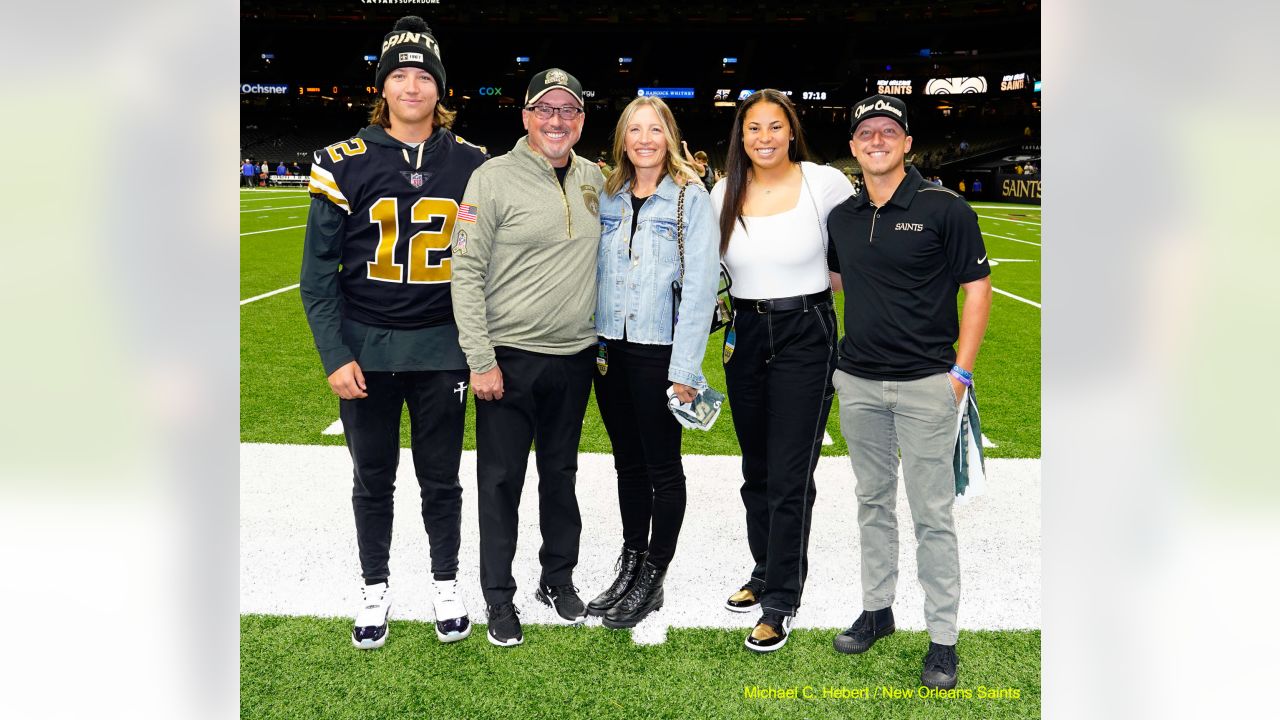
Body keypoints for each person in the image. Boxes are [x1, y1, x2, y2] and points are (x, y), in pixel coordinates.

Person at [299, 15, 488, 651]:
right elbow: (318, 275)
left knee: (442, 478)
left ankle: (445, 582)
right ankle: (374, 586)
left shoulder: (472, 165)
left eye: (423, 75)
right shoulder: (342, 162)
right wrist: (333, 354)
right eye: (399, 74)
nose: (412, 86)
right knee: (371, 476)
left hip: (441, 349)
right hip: (365, 350)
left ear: (441, 88)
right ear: (383, 86)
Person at [825, 94, 992, 690]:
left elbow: (978, 290)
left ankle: (942, 639)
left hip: (927, 384)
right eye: (865, 131)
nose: (876, 139)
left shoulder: (945, 207)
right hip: (860, 381)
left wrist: (960, 374)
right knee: (872, 503)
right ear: (852, 145)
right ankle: (877, 610)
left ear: (907, 143)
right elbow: (839, 280)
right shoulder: (842, 215)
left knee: (932, 516)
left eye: (887, 131)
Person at [450, 68, 603, 647]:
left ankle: (557, 576)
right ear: (526, 117)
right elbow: (463, 270)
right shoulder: (490, 178)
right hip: (508, 359)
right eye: (546, 109)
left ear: (582, 121)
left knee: (560, 476)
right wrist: (480, 358)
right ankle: (497, 594)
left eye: (568, 110)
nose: (557, 120)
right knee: (500, 481)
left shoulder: (595, 178)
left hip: (575, 356)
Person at [710, 88, 853, 652]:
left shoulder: (825, 184)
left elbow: (849, 266)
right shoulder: (724, 190)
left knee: (791, 474)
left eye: (774, 127)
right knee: (757, 469)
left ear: (791, 130)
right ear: (739, 137)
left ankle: (781, 601)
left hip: (805, 333)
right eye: (752, 129)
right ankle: (764, 567)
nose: (764, 138)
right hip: (744, 335)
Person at [587, 96, 719, 629]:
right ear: (622, 138)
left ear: (669, 136)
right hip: (608, 351)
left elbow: (701, 288)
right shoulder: (609, 195)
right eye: (634, 130)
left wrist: (685, 369)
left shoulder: (691, 199)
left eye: (655, 129)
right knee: (628, 465)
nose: (644, 139)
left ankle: (654, 573)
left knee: (663, 469)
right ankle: (631, 560)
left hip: (659, 354)